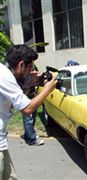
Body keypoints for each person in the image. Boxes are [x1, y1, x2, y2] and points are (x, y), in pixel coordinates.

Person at [0, 44, 57, 179]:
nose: (30, 72)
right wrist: (48, 89)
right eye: (30, 68)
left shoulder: (4, 73)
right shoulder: (5, 77)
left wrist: (28, 85)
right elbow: (27, 109)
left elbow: (16, 102)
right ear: (21, 65)